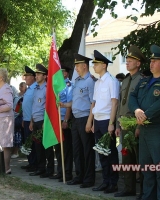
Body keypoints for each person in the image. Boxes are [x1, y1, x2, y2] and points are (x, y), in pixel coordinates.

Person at [128, 45, 160, 200]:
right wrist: (137, 110)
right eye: (150, 60)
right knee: (147, 169)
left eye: (155, 61)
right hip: (144, 130)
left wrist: (145, 115)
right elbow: (132, 97)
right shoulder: (144, 81)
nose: (151, 63)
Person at [114, 45, 146, 198]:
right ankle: (129, 188)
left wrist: (139, 126)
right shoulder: (125, 80)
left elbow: (143, 105)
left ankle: (144, 190)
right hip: (124, 124)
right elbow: (121, 103)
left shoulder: (142, 80)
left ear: (138, 63)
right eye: (126, 60)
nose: (127, 62)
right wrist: (118, 124)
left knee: (140, 158)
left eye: (131, 60)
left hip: (135, 124)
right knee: (127, 157)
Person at [89, 50, 119, 193]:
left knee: (111, 153)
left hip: (107, 119)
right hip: (98, 119)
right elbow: (95, 104)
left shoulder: (112, 81)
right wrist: (93, 122)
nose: (93, 66)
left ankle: (113, 183)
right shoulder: (98, 83)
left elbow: (114, 103)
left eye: (96, 64)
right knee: (101, 153)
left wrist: (111, 123)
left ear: (104, 65)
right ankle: (105, 181)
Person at [65, 53, 96, 188]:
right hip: (76, 119)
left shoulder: (90, 81)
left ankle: (89, 178)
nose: (76, 68)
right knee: (77, 149)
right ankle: (79, 175)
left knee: (87, 149)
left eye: (77, 65)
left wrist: (90, 121)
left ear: (84, 66)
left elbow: (93, 103)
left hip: (85, 118)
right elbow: (74, 101)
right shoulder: (77, 81)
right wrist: (63, 105)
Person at [29, 64, 54, 178]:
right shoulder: (36, 88)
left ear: (44, 76)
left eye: (39, 74)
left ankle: (50, 169)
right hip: (36, 120)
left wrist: (45, 121)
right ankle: (41, 168)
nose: (36, 76)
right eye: (36, 74)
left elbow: (48, 106)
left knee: (47, 147)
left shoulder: (47, 88)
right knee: (38, 146)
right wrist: (31, 121)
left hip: (44, 121)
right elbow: (34, 106)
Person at [50, 65, 73, 182]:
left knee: (66, 149)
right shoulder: (57, 86)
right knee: (58, 148)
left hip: (63, 119)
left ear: (65, 73)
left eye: (61, 72)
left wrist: (65, 120)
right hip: (56, 120)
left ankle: (67, 172)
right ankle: (60, 171)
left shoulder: (68, 86)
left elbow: (69, 105)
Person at [21, 66, 38, 172]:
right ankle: (31, 162)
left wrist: (31, 120)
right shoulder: (29, 89)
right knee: (27, 141)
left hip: (33, 120)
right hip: (26, 119)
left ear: (32, 77)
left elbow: (35, 105)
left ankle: (35, 164)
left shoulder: (36, 87)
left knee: (33, 142)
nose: (25, 78)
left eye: (27, 76)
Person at [11, 82, 27, 159]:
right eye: (20, 86)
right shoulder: (16, 95)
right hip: (13, 115)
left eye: (22, 86)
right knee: (13, 134)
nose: (20, 87)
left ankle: (16, 151)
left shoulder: (26, 96)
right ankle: (12, 151)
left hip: (21, 117)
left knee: (18, 134)